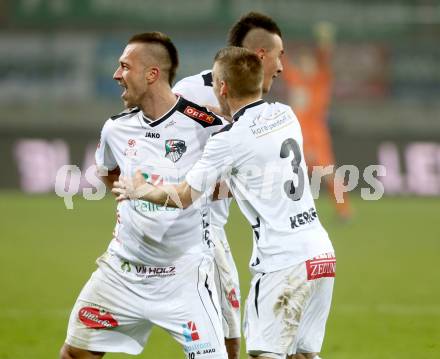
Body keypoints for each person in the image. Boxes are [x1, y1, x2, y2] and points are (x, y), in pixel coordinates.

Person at [113, 47, 335, 359]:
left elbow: (184, 195)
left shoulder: (227, 142)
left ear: (222, 87)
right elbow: (247, 124)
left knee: (264, 354)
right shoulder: (286, 115)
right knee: (302, 355)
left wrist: (141, 190)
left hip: (283, 262)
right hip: (320, 254)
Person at [59, 32, 228, 359]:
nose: (116, 75)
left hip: (183, 276)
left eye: (124, 67)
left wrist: (187, 193)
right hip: (123, 271)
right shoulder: (115, 128)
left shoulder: (205, 125)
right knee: (74, 354)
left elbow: (238, 177)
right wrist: (132, 201)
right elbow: (107, 170)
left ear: (152, 74)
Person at [172, 12, 284, 358]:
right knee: (216, 338)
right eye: (279, 56)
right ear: (260, 56)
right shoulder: (186, 93)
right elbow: (165, 159)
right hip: (183, 234)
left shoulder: (259, 110)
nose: (281, 68)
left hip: (215, 232)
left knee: (231, 335)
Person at [282, 22, 351, 220]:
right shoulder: (295, 78)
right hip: (296, 134)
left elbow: (325, 60)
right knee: (289, 173)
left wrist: (325, 44)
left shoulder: (320, 79)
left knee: (328, 173)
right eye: (302, 63)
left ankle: (344, 210)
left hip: (316, 133)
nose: (305, 66)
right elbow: (282, 61)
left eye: (308, 63)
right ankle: (289, 213)